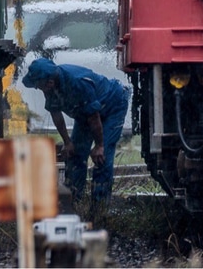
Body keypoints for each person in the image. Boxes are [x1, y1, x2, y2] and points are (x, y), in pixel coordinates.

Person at [22, 58, 129, 203]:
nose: (38, 89)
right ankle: (74, 203)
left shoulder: (78, 82)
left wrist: (99, 146)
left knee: (101, 158)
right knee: (75, 155)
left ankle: (100, 208)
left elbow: (94, 117)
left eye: (38, 86)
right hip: (85, 113)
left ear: (49, 83)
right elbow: (56, 113)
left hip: (112, 106)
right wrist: (67, 142)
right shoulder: (49, 87)